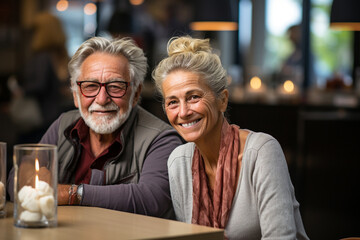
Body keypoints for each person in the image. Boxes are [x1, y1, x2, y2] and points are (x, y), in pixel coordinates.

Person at [8, 36, 183, 219]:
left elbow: (151, 200)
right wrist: (25, 175)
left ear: (136, 94)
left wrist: (71, 193)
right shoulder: (64, 125)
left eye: (115, 87)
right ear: (76, 95)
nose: (101, 99)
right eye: (90, 86)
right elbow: (16, 176)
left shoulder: (162, 138)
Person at [152, 36, 309, 239]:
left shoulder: (261, 152)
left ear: (222, 100)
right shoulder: (178, 162)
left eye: (193, 97)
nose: (183, 112)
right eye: (172, 102)